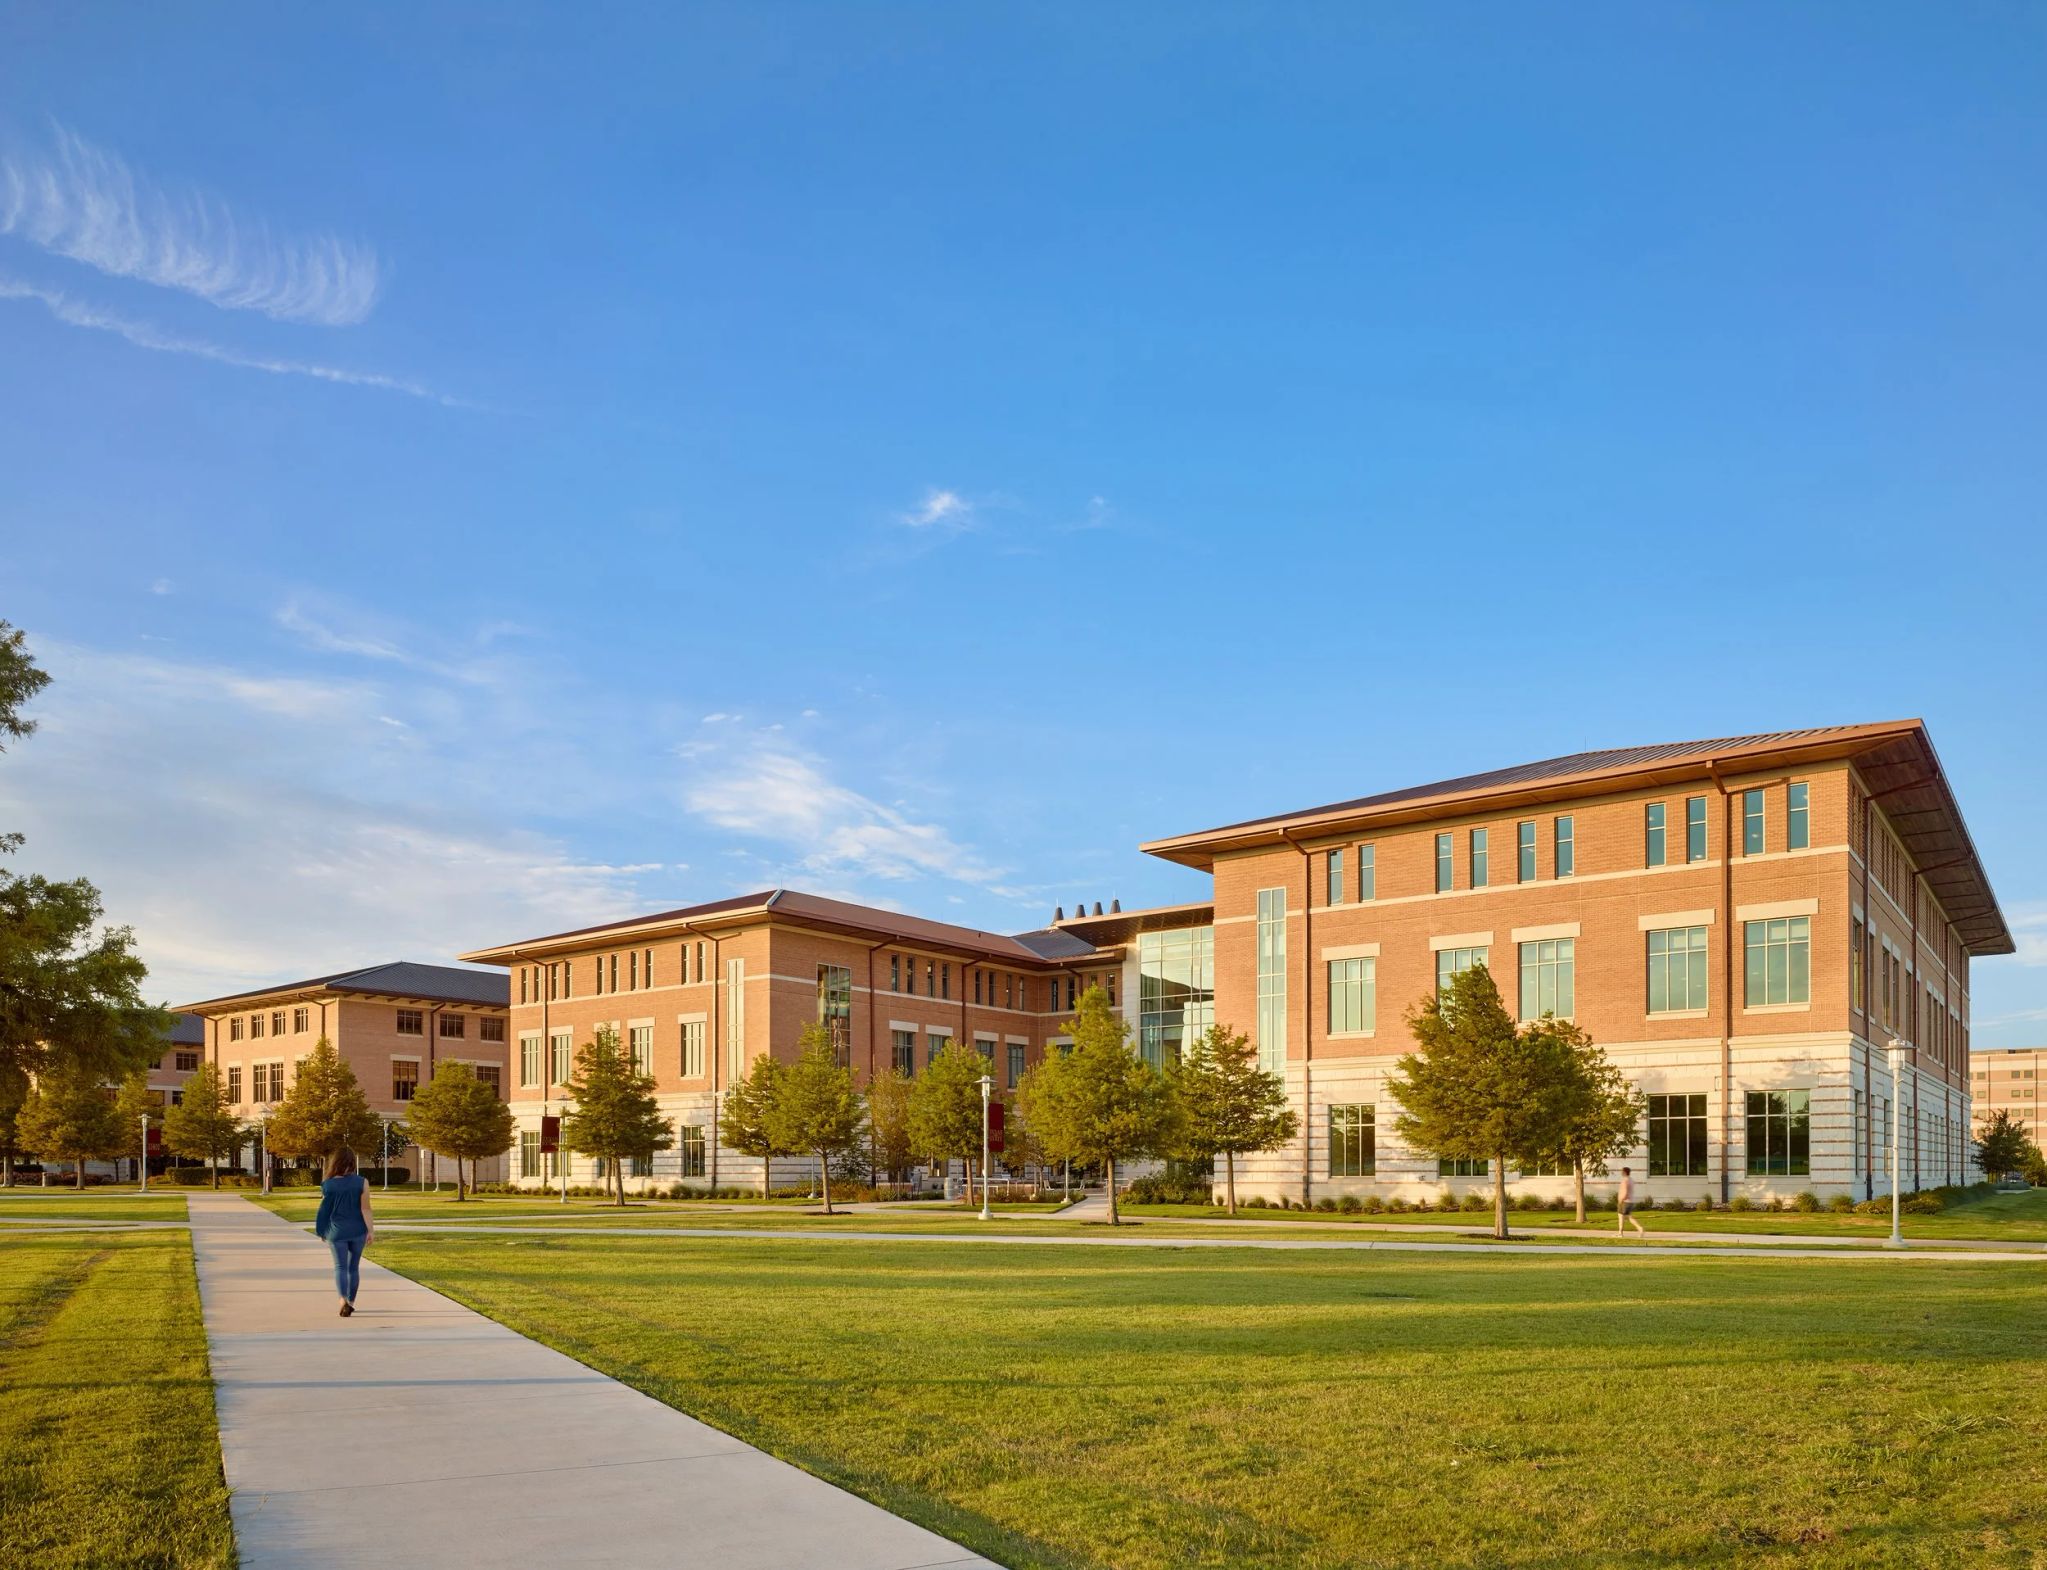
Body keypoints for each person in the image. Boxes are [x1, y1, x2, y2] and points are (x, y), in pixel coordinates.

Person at [312, 1146, 374, 1316]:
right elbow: (365, 1209)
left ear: (335, 1162)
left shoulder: (328, 1184)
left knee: (340, 1266)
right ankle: (351, 1301)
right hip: (358, 1230)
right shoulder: (362, 1182)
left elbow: (324, 1210)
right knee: (353, 1267)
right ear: (353, 1162)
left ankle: (342, 1300)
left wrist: (322, 1230)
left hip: (335, 1232)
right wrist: (371, 1230)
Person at [1616, 1165, 1646, 1237]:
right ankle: (1640, 1229)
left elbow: (1625, 1192)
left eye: (1622, 1171)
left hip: (1625, 1201)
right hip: (1630, 1201)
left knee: (1621, 1216)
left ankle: (1620, 1233)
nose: (1621, 1173)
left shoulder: (1625, 1180)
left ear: (1625, 1172)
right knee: (1628, 1217)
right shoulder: (1631, 1180)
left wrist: (1621, 1199)